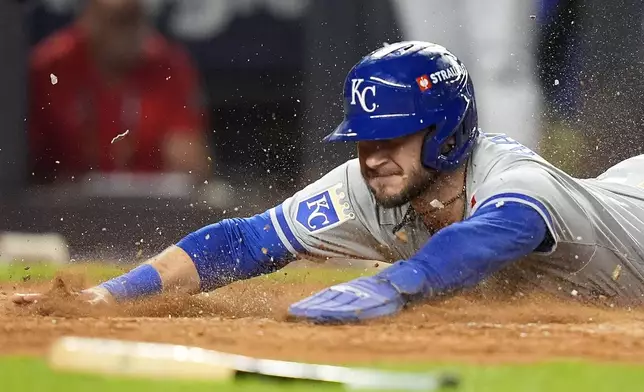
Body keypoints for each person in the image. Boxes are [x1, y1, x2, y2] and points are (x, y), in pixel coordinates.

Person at [14, 41, 644, 324]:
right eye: (364, 140)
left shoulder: (519, 183)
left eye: (391, 138)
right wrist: (111, 295)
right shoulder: (375, 185)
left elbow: (491, 237)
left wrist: (401, 283)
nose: (371, 157)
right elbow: (244, 242)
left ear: (447, 133)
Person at [28, 0, 210, 184]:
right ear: (88, 16)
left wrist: (186, 162)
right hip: (64, 203)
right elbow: (25, 162)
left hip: (148, 203)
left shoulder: (170, 66)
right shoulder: (50, 66)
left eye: (133, 18)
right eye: (117, 20)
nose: (126, 33)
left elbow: (190, 162)